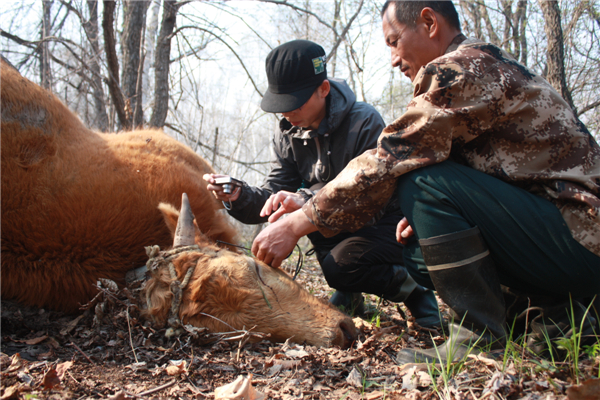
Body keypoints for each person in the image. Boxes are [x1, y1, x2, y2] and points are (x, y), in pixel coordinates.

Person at [251, 2, 600, 363]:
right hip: (564, 238)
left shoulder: (463, 67)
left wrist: (297, 222)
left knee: (422, 179)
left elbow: (390, 157)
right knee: (419, 252)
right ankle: (555, 317)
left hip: (582, 236)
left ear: (429, 22)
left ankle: (477, 340)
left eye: (393, 41)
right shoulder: (478, 67)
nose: (392, 58)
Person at [204, 39, 439, 325]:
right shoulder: (288, 131)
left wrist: (305, 201)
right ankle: (349, 290)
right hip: (332, 223)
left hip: (387, 223)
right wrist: (238, 195)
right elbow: (275, 194)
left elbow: (371, 200)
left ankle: (415, 290)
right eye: (280, 104)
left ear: (323, 90)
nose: (285, 113)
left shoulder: (363, 122)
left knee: (340, 264)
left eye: (293, 103)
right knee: (303, 215)